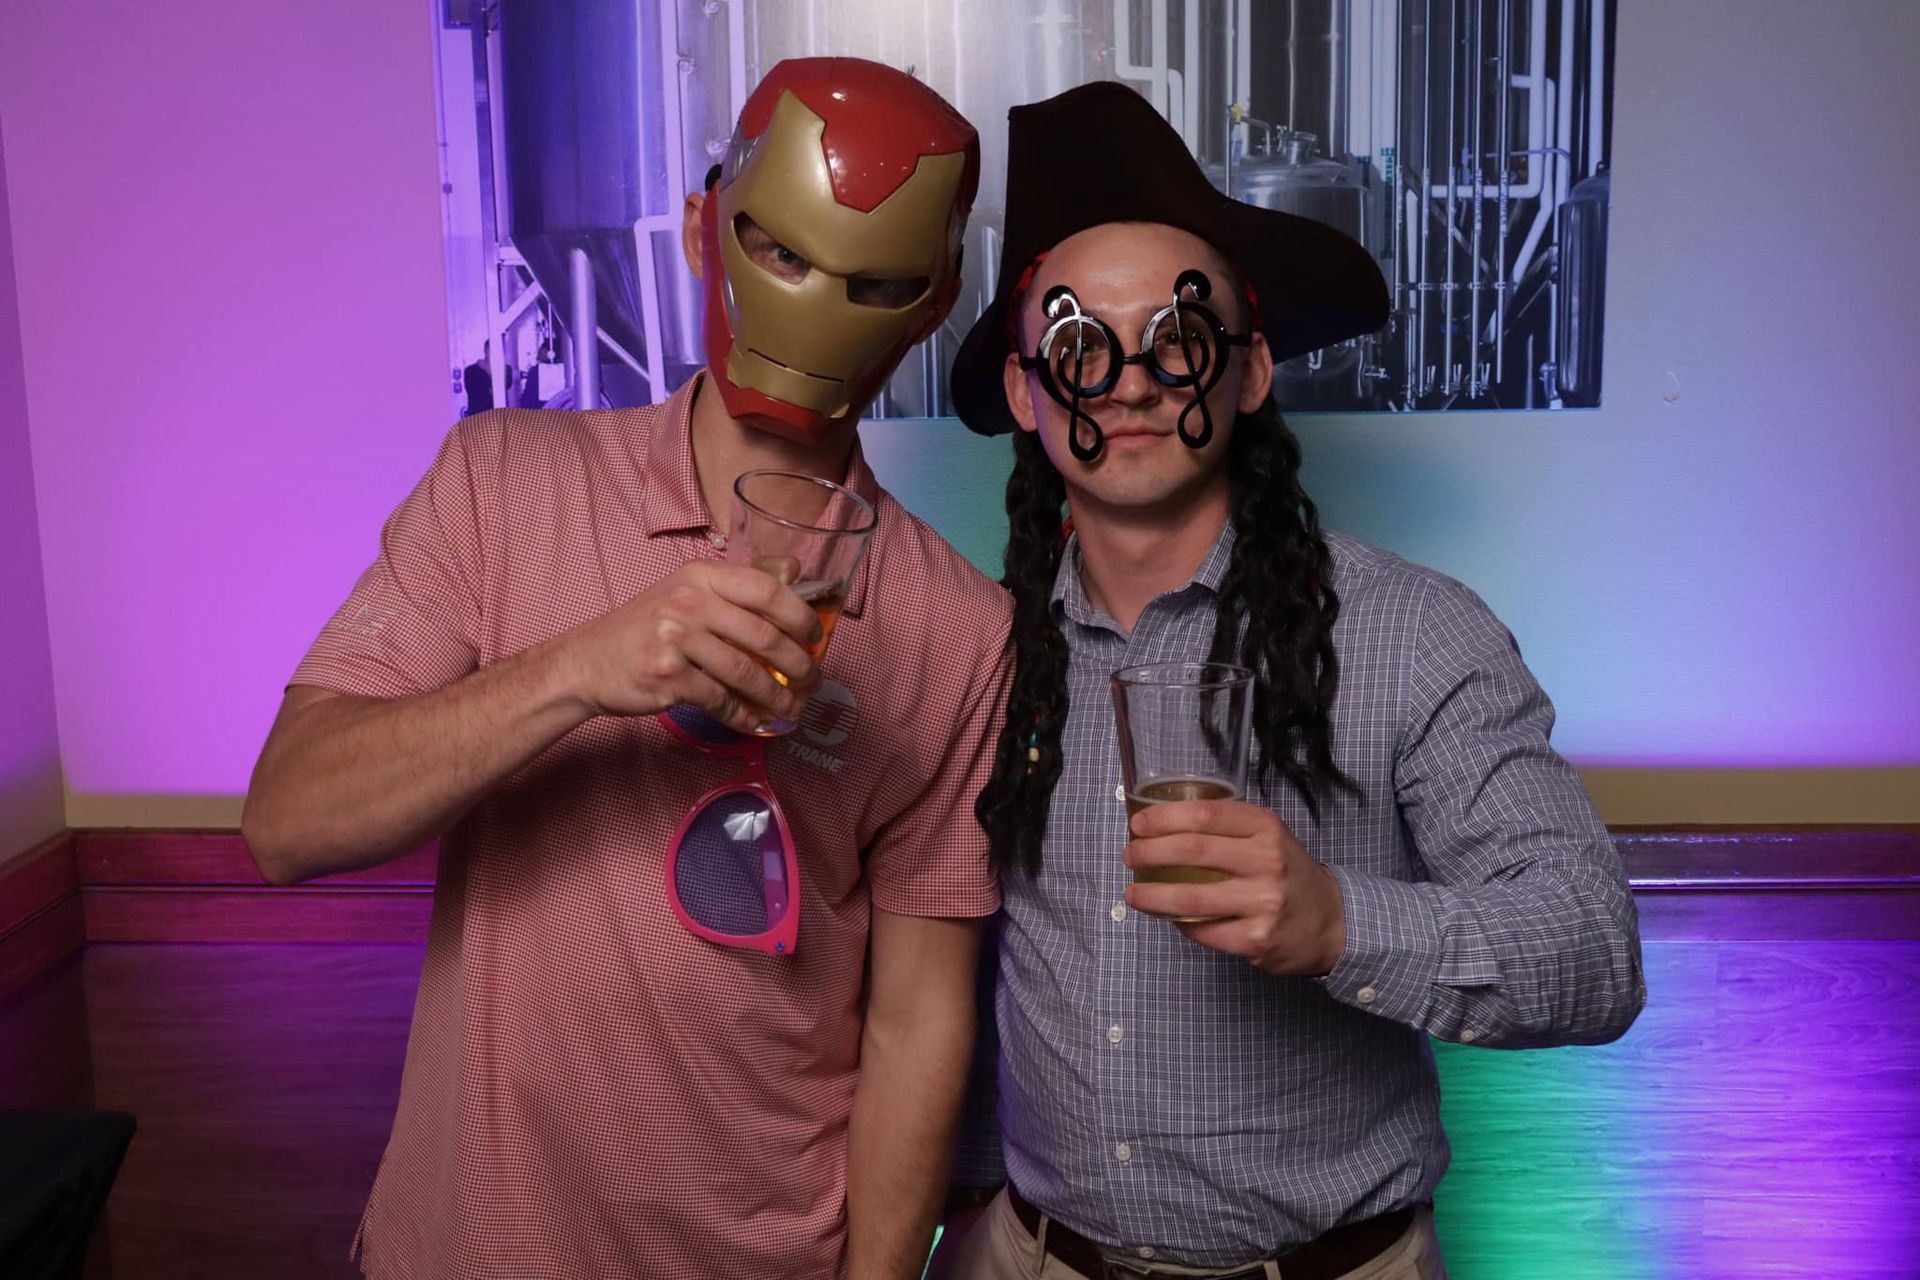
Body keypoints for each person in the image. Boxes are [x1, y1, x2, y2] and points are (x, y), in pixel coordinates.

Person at [242, 58, 1011, 1280]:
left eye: (876, 282)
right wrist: (578, 668)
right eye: (786, 255)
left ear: (937, 302)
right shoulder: (503, 481)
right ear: (707, 230)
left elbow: (918, 1020)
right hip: (473, 1244)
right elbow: (287, 818)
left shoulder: (959, 628)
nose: (820, 309)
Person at [931, 81, 1646, 1280]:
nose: (1132, 377)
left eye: (1179, 335)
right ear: (1026, 395)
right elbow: (945, 967)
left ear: (1249, 372)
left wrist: (1338, 921)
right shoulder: (977, 653)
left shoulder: (1413, 634)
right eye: (1074, 343)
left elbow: (1590, 949)